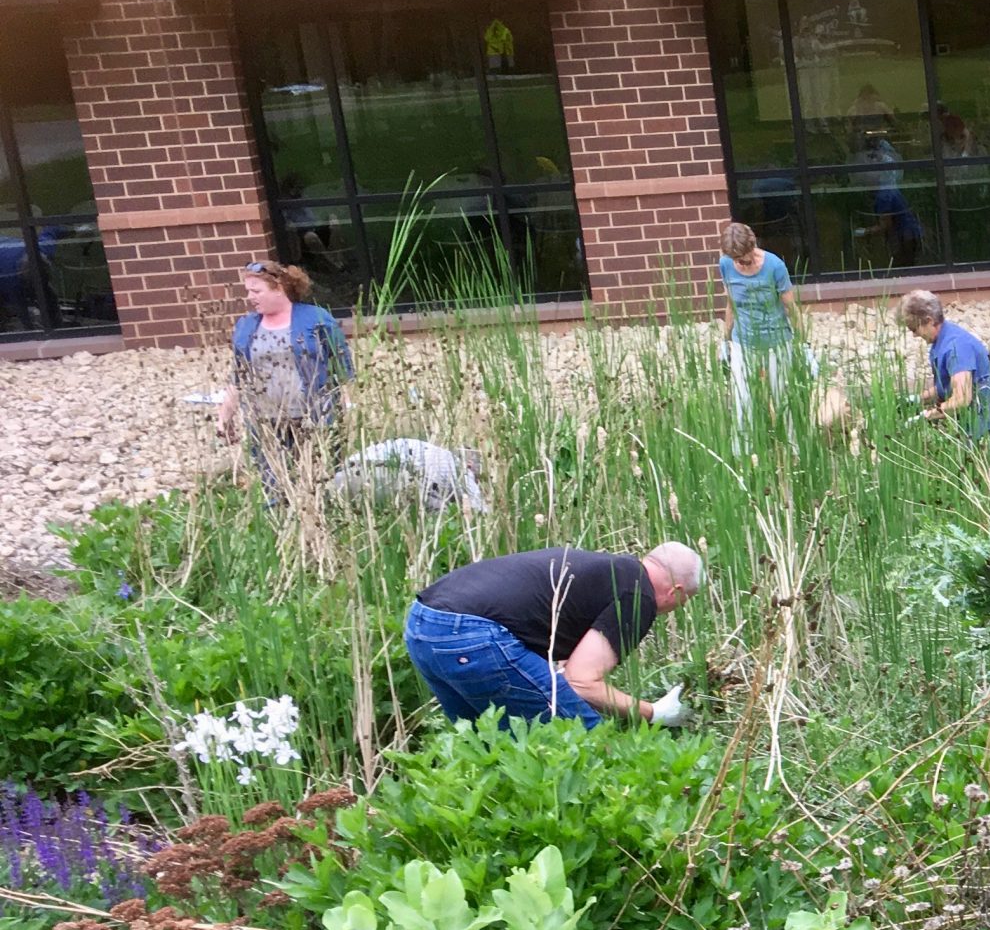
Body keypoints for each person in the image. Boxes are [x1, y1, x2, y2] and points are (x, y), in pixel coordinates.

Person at [405, 542, 702, 730]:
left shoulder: (605, 571)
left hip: (422, 625)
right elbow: (582, 682)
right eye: (683, 602)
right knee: (584, 740)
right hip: (471, 636)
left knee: (485, 744)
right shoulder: (640, 596)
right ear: (675, 591)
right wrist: (654, 713)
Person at [217, 259, 351, 500]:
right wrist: (224, 417)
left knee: (320, 484)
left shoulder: (317, 319)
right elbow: (239, 376)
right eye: (248, 291)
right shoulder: (246, 326)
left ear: (278, 287)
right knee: (274, 488)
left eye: (256, 291)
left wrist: (347, 409)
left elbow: (343, 371)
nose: (250, 297)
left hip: (313, 418)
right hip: (267, 421)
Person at [714, 222, 808, 417]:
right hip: (743, 342)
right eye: (735, 259)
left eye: (744, 259)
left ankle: (792, 446)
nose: (739, 263)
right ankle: (744, 447)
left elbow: (791, 308)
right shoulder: (725, 265)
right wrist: (725, 341)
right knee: (742, 404)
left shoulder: (774, 266)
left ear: (753, 245)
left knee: (784, 402)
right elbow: (731, 304)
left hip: (776, 341)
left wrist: (803, 345)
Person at [904, 289, 990, 439]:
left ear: (930, 321)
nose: (914, 334)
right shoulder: (942, 338)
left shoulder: (956, 347)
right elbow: (947, 387)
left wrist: (926, 416)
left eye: (914, 328)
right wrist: (916, 400)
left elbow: (961, 399)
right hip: (977, 415)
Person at [329, 438, 487, 516]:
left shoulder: (432, 451)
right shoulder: (460, 466)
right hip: (392, 472)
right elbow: (478, 512)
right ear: (470, 465)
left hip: (345, 474)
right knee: (440, 517)